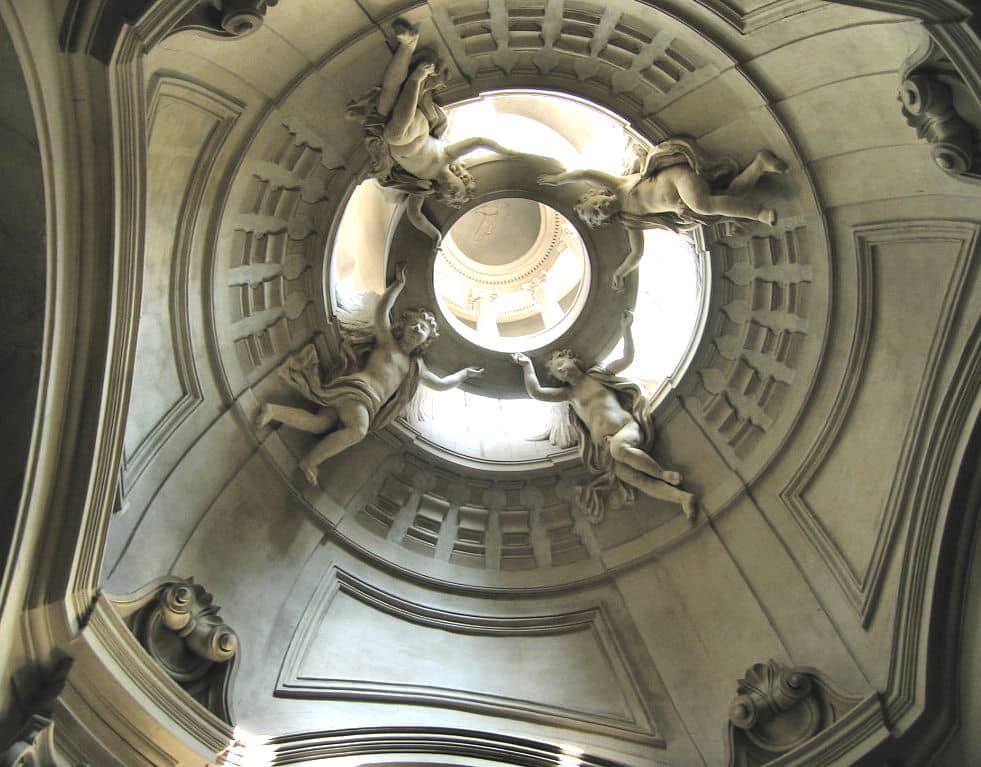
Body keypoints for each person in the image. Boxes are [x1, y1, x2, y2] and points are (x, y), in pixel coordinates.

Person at [257, 264, 483, 485]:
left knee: (321, 423)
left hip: (363, 402)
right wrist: (397, 287)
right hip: (359, 390)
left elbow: (440, 384)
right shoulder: (388, 343)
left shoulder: (415, 367)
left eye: (423, 329)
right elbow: (381, 312)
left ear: (426, 341)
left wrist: (462, 375)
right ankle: (310, 461)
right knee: (358, 430)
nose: (417, 329)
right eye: (414, 324)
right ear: (402, 327)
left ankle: (273, 411)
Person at [346, 18, 521, 243]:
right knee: (394, 133)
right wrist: (506, 152)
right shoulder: (447, 156)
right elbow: (479, 140)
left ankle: (408, 45)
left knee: (389, 94)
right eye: (458, 191)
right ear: (463, 178)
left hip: (391, 130)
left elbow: (415, 216)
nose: (452, 193)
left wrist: (436, 236)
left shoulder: (424, 187)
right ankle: (416, 79)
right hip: (413, 129)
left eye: (450, 198)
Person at [511, 310, 695, 521]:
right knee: (633, 478)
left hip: (626, 429)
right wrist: (527, 366)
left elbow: (626, 359)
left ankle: (662, 474)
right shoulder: (569, 395)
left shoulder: (597, 375)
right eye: (557, 371)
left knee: (619, 448)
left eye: (562, 363)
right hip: (607, 449)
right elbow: (537, 392)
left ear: (573, 359)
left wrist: (626, 329)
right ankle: (682, 498)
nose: (562, 370)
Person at [537, 138, 788, 290]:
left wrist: (559, 180)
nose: (600, 210)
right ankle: (759, 165)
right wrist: (620, 272)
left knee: (705, 206)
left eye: (595, 206)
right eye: (597, 216)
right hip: (684, 200)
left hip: (678, 177)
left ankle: (759, 213)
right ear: (605, 221)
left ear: (597, 195)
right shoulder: (630, 219)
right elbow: (636, 253)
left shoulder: (619, 184)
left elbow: (584, 172)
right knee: (723, 202)